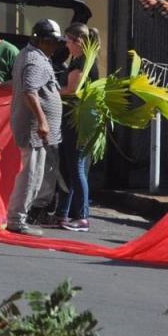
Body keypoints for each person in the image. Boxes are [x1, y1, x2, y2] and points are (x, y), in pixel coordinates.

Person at [6, 19, 65, 236]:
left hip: (35, 130)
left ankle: (20, 216)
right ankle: (17, 219)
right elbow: (29, 91)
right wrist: (42, 120)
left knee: (36, 174)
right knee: (32, 175)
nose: (55, 46)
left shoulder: (34, 56)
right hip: (33, 130)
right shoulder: (34, 60)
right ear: (39, 40)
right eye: (52, 42)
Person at [57, 23, 98, 232]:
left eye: (68, 41)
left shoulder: (82, 61)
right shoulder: (79, 59)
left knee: (77, 167)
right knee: (68, 166)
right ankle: (63, 213)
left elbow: (72, 89)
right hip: (73, 118)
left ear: (78, 41)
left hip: (78, 120)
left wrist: (52, 91)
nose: (66, 45)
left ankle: (82, 216)